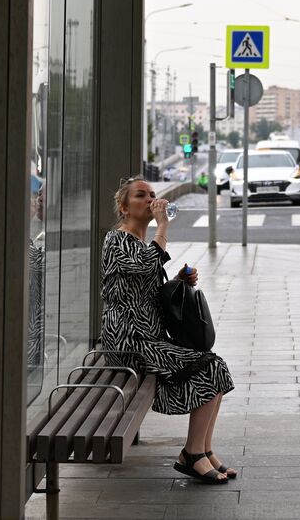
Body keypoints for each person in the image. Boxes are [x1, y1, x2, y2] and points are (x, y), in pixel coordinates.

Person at [102, 176, 236, 484]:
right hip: (130, 343)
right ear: (124, 208)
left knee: (214, 365)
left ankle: (202, 449)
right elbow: (143, 266)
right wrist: (163, 226)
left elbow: (145, 286)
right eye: (140, 195)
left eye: (152, 194)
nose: (150, 199)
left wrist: (177, 281)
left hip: (148, 339)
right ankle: (192, 455)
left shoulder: (138, 244)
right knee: (210, 366)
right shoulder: (116, 239)